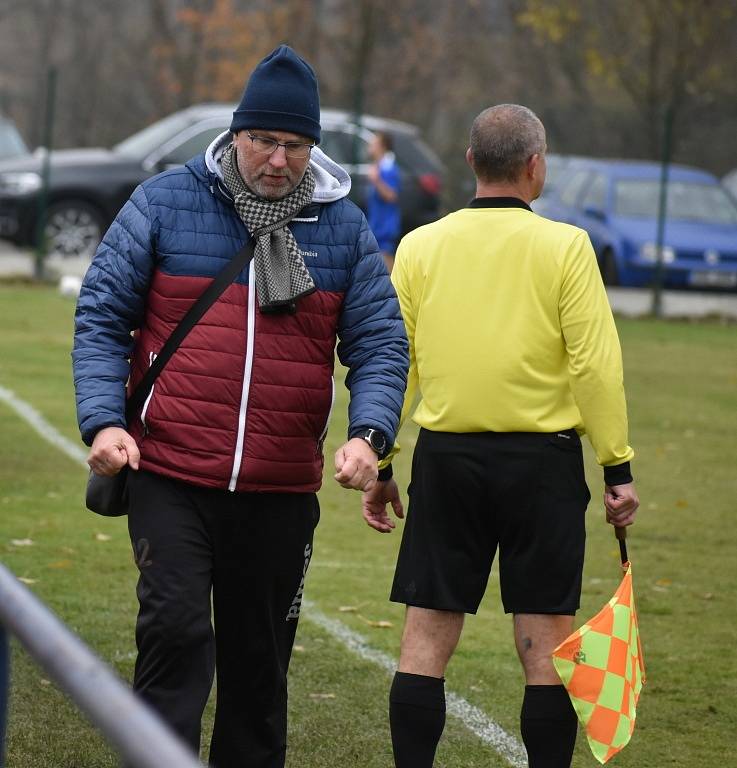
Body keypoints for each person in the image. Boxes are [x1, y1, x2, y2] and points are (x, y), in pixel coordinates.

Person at [72, 45, 408, 768]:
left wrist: (368, 435)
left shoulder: (343, 228)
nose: (278, 159)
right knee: (176, 636)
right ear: (235, 135)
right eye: (264, 140)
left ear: (312, 147)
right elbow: (101, 314)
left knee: (258, 674)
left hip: (279, 491)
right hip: (170, 473)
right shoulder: (165, 201)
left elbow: (380, 343)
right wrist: (103, 421)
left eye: (294, 144)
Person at [361, 104, 639, 768]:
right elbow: (593, 366)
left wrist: (382, 457)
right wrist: (615, 467)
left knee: (425, 636)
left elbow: (395, 362)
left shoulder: (421, 246)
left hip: (445, 460)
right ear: (534, 164)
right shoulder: (566, 246)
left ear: (469, 164)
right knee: (544, 644)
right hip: (541, 465)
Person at [366, 131, 401, 272]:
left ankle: (394, 291)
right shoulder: (379, 166)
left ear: (382, 146)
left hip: (384, 226)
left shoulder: (388, 168)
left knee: (386, 260)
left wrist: (376, 180)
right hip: (377, 224)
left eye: (374, 143)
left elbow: (391, 195)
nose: (370, 146)